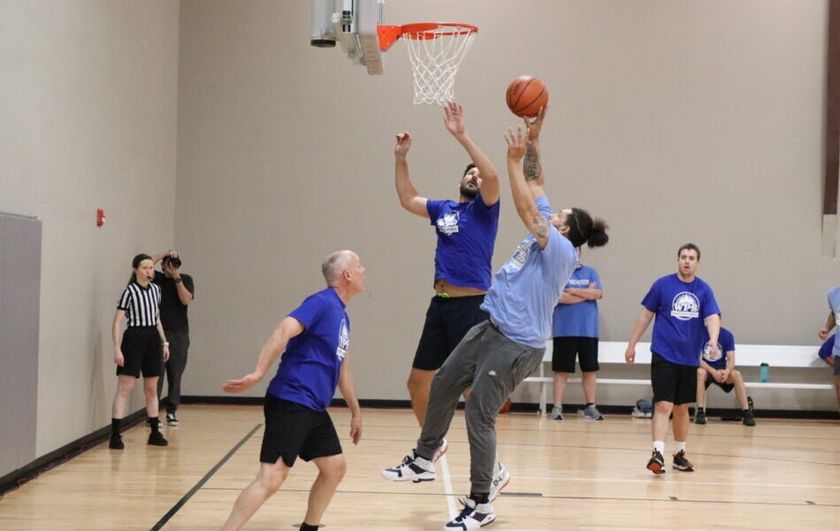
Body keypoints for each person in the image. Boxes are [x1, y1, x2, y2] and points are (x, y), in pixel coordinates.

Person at [382, 109, 609, 530]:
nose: (552, 211)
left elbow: (525, 206)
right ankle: (424, 456)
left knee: (478, 414)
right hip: (491, 326)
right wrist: (535, 140)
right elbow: (536, 184)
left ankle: (481, 502)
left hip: (517, 344)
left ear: (566, 229)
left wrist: (511, 161)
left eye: (559, 214)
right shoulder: (551, 231)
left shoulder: (560, 249)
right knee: (444, 381)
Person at [220, 250, 364, 531]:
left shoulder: (342, 317)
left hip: (313, 407)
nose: (364, 271)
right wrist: (258, 372)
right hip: (291, 400)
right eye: (359, 267)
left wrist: (356, 412)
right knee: (271, 477)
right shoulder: (321, 303)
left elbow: (343, 369)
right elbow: (283, 330)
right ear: (347, 275)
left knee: (334, 467)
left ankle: (309, 528)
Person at [394, 101, 501, 428]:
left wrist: (461, 135)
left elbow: (492, 175)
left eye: (478, 174)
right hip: (440, 306)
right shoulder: (444, 210)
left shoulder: (485, 211)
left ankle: (489, 456)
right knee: (417, 382)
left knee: (471, 389)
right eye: (470, 172)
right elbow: (408, 199)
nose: (475, 175)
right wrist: (401, 158)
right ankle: (430, 446)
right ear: (460, 180)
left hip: (472, 307)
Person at [625, 243, 720, 475]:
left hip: (688, 358)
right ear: (677, 260)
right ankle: (657, 454)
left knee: (681, 407)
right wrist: (632, 344)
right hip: (663, 353)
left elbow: (712, 317)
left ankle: (679, 454)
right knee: (663, 404)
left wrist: (713, 339)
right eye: (683, 257)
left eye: (691, 258)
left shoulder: (704, 290)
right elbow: (645, 316)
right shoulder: (662, 285)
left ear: (698, 263)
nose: (687, 261)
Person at [109, 253, 171, 449]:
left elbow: (156, 318)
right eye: (145, 267)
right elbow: (117, 322)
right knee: (124, 388)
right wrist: (117, 349)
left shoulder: (156, 290)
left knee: (151, 389)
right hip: (134, 339)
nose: (149, 271)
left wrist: (164, 342)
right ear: (136, 270)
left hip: (152, 339)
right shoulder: (129, 291)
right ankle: (115, 434)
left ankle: (154, 432)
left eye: (151, 267)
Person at [549, 248, 604, 421]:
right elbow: (559, 297)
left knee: (590, 370)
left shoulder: (591, 272)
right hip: (564, 331)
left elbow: (598, 293)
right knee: (561, 371)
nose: (573, 252)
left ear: (580, 252)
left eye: (576, 249)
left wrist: (571, 290)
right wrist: (585, 293)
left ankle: (591, 407)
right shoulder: (557, 273)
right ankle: (557, 407)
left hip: (588, 331)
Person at [151, 250, 195, 426]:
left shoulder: (186, 279)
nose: (172, 266)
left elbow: (186, 300)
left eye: (175, 263)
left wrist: (176, 277)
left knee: (176, 374)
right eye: (168, 263)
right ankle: (152, 413)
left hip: (179, 333)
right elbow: (144, 265)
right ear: (162, 265)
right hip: (158, 332)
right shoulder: (157, 279)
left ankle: (171, 411)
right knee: (156, 374)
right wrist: (165, 253)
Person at [694, 319, 755, 426]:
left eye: (715, 320)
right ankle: (700, 412)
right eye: (710, 320)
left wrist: (727, 372)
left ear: (719, 321)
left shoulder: (727, 335)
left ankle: (747, 413)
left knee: (736, 374)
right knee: (700, 372)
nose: (712, 323)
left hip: (721, 372)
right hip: (707, 371)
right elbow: (698, 360)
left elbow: (731, 360)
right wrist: (713, 372)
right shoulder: (699, 334)